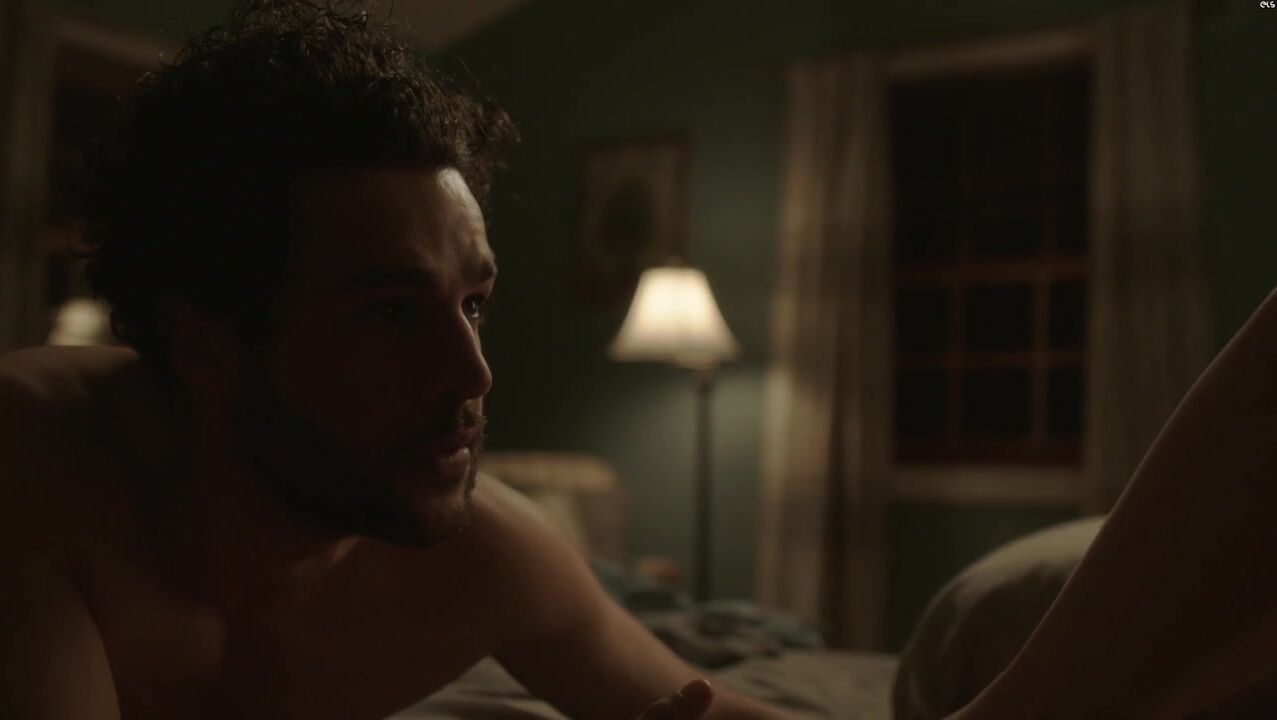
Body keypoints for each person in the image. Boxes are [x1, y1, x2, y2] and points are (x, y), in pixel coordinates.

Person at [0, 2, 792, 718]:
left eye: (473, 303)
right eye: (388, 313)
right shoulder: (30, 469)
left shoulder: (486, 557)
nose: (473, 374)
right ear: (206, 349)